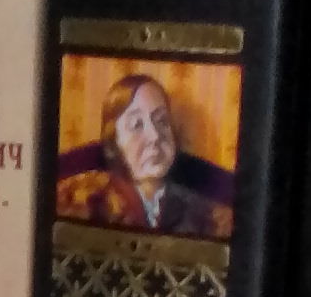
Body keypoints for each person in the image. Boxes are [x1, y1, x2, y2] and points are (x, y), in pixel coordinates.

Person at [54, 71, 234, 239]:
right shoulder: (84, 200)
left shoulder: (207, 212)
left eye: (162, 121)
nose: (155, 136)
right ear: (113, 142)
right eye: (136, 125)